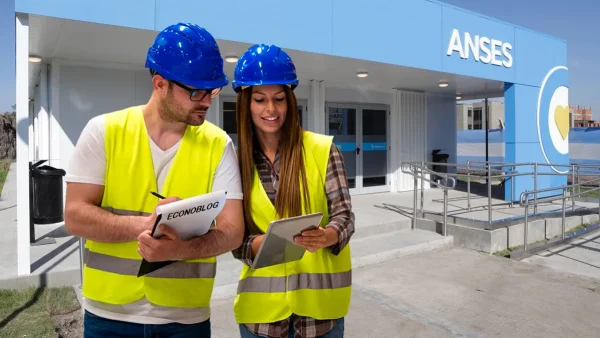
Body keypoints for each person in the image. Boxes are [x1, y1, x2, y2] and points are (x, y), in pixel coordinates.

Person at [64, 22, 244, 338]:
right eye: (196, 91)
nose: (207, 101)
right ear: (160, 84)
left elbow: (232, 232)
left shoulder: (219, 145)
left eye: (212, 90)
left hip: (185, 320)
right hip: (108, 318)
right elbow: (75, 216)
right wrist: (146, 227)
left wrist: (180, 250)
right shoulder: (104, 132)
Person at [231, 44, 355, 338]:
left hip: (319, 314)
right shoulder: (236, 162)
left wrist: (326, 235)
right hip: (261, 318)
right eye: (260, 99)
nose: (270, 109)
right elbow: (234, 238)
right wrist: (260, 245)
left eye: (279, 99)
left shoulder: (322, 150)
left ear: (289, 102)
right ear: (246, 104)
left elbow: (345, 217)